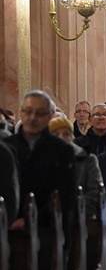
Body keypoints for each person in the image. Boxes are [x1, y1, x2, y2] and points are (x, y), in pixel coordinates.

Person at [4, 90, 76, 229]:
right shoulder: (6, 147)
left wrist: (31, 220)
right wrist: (10, 219)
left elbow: (65, 195)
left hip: (50, 228)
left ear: (50, 116)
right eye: (28, 111)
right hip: (9, 227)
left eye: (40, 113)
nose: (33, 117)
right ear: (21, 112)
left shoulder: (63, 149)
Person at [48, 116, 103, 219]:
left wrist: (72, 209)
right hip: (50, 221)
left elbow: (95, 192)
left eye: (66, 134)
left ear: (71, 137)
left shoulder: (88, 160)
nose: (61, 138)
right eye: (56, 134)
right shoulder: (44, 161)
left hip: (81, 220)